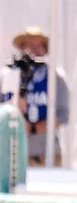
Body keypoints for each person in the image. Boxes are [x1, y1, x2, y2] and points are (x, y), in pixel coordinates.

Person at [4, 27, 70, 166]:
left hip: (45, 152)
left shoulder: (55, 78)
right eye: (28, 45)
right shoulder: (8, 75)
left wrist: (36, 128)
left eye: (37, 45)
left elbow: (63, 114)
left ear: (44, 49)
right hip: (11, 152)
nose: (32, 50)